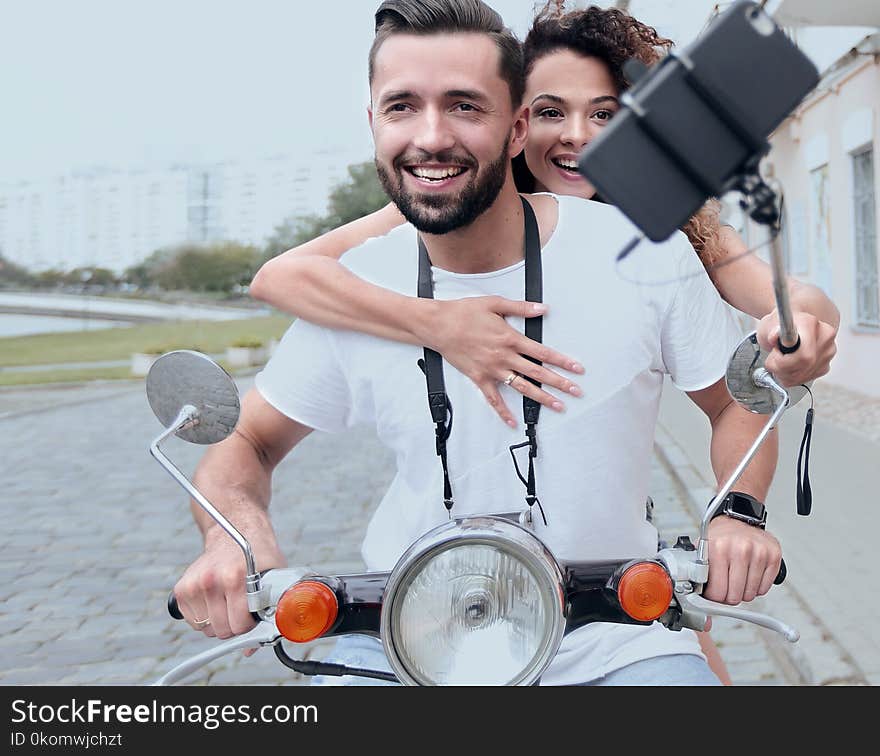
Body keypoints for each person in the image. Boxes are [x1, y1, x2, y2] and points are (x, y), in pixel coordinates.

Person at [174, 0, 784, 686]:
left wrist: (738, 514)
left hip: (612, 637)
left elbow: (741, 400)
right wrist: (231, 539)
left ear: (516, 126)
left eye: (465, 106)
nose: (431, 137)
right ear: (374, 123)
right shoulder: (353, 287)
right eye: (402, 106)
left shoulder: (644, 252)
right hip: (401, 639)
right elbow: (245, 440)